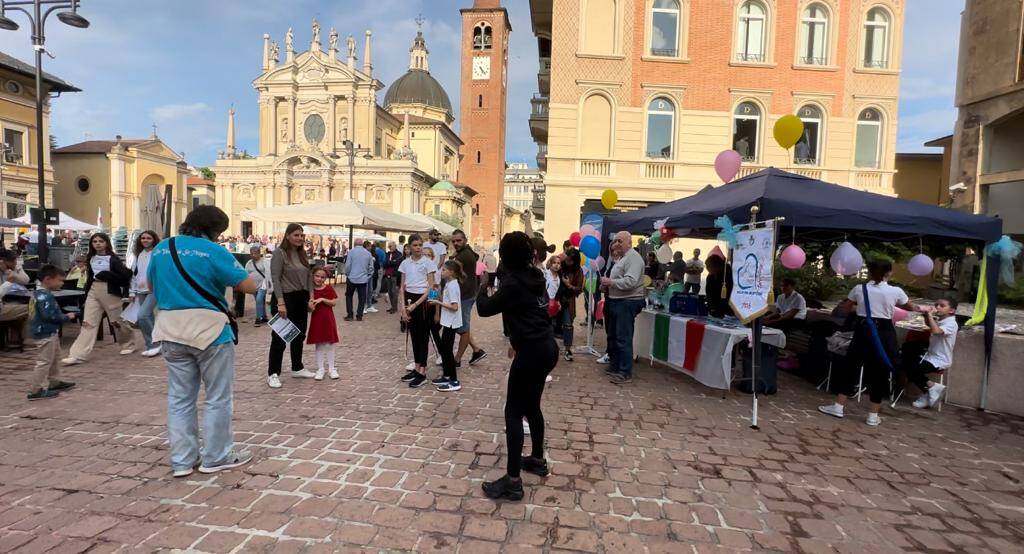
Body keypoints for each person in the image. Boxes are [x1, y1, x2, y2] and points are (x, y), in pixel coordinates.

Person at [148, 205, 256, 476]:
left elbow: (150, 287)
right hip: (209, 330)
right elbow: (247, 286)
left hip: (171, 328)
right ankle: (216, 456)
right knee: (217, 397)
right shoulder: (213, 250)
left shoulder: (162, 248)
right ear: (214, 230)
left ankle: (183, 461)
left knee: (179, 398)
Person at [477, 231, 559, 501]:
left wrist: (483, 284)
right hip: (546, 347)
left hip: (532, 352)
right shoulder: (537, 276)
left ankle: (513, 480)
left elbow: (485, 309)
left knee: (513, 411)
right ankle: (536, 458)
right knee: (532, 405)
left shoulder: (513, 284)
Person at [818, 259, 921, 426]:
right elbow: (909, 307)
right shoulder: (896, 291)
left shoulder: (860, 288)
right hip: (885, 332)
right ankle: (873, 415)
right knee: (879, 372)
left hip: (863, 329)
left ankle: (838, 406)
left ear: (870, 273)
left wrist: (862, 307)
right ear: (889, 273)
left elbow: (845, 308)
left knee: (851, 367)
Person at [63, 233, 134, 365]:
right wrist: (86, 294)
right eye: (95, 241)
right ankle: (78, 354)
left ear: (106, 242)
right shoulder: (91, 258)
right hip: (93, 290)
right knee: (88, 322)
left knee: (117, 321)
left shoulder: (113, 259)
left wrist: (108, 275)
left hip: (110, 291)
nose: (98, 244)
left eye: (101, 241)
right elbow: (90, 277)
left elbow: (125, 276)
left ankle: (128, 343)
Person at [268, 223, 315, 388]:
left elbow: (309, 278)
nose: (300, 238)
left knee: (299, 335)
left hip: (301, 298)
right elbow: (276, 278)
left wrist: (310, 298)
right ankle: (273, 373)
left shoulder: (302, 255)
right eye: (296, 235)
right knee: (280, 337)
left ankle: (297, 367)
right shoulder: (279, 254)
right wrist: (280, 302)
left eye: (302, 235)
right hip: (285, 298)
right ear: (287, 235)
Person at [600, 231, 645, 384]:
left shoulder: (633, 258)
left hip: (627, 302)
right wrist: (607, 285)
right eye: (615, 241)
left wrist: (610, 283)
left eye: (620, 241)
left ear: (629, 243)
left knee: (623, 338)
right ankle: (615, 366)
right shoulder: (622, 258)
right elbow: (619, 280)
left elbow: (630, 282)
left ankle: (625, 372)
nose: (616, 244)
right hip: (617, 301)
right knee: (613, 336)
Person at [27, 265, 76, 400]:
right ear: (48, 279)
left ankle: (54, 381)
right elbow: (49, 316)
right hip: (45, 332)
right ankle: (36, 390)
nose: (62, 283)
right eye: (60, 280)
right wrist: (66, 317)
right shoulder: (44, 296)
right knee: (44, 361)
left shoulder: (40, 294)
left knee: (54, 358)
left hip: (49, 332)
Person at [902, 298, 957, 409]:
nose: (937, 307)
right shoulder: (942, 320)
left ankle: (932, 388)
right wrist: (926, 315)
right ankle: (929, 392)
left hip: (940, 359)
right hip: (930, 355)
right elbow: (931, 325)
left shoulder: (952, 323)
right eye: (936, 305)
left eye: (942, 306)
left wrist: (930, 316)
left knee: (913, 370)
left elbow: (936, 331)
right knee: (906, 365)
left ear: (951, 311)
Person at [399, 234, 437, 388]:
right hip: (409, 297)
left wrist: (416, 304)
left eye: (420, 244)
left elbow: (431, 286)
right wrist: (403, 307)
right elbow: (402, 286)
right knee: (413, 334)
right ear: (409, 247)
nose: (419, 248)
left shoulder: (428, 263)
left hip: (423, 300)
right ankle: (416, 367)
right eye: (415, 245)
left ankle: (423, 370)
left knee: (423, 335)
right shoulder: (405, 264)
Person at [450, 229, 487, 366]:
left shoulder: (463, 256)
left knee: (463, 328)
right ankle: (477, 350)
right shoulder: (467, 252)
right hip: (467, 293)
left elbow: (451, 270)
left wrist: (453, 258)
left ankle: (457, 359)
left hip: (465, 295)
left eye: (459, 240)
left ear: (465, 240)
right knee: (460, 326)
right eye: (454, 241)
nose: (456, 243)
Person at [429, 260, 464, 392]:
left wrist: (438, 302)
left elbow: (454, 307)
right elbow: (448, 301)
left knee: (447, 351)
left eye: (444, 270)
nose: (441, 272)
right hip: (448, 321)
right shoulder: (449, 284)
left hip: (451, 322)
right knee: (444, 350)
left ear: (451, 272)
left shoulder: (453, 286)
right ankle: (447, 375)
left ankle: (454, 380)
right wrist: (438, 295)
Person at [130, 230, 162, 358]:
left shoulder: (158, 253)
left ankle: (154, 345)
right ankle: (155, 343)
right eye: (143, 238)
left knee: (142, 315)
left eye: (148, 238)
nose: (145, 240)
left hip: (154, 289)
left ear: (154, 239)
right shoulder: (138, 255)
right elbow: (134, 274)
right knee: (148, 317)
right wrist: (131, 291)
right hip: (140, 290)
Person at [306, 266, 340, 381]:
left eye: (322, 277)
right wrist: (310, 306)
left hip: (328, 319)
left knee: (330, 344)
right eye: (317, 276)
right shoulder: (310, 291)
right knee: (319, 344)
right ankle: (320, 368)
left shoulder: (328, 288)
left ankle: (331, 368)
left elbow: (333, 302)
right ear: (312, 276)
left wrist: (322, 300)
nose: (319, 279)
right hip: (317, 319)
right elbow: (309, 309)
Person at [556, 248, 584, 362]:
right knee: (551, 325)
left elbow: (579, 288)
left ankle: (568, 350)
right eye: (566, 260)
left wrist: (569, 285)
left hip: (568, 301)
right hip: (556, 300)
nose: (567, 262)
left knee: (568, 325)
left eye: (570, 261)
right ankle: (551, 349)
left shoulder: (578, 270)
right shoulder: (559, 265)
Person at [0, 249, 30, 338]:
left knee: (20, 306)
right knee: (33, 308)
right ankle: (29, 343)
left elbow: (26, 280)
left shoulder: (8, 268)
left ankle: (15, 340)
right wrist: (9, 282)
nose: (15, 265)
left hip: (4, 305)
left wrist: (16, 268)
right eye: (13, 263)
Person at [343, 239, 374, 321]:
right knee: (362, 298)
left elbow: (348, 265)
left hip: (351, 278)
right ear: (362, 244)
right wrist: (368, 276)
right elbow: (371, 268)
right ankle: (359, 315)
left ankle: (350, 315)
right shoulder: (368, 253)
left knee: (349, 296)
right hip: (363, 279)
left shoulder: (351, 252)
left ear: (354, 244)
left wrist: (347, 274)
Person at [245, 246, 271, 327]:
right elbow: (246, 273)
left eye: (255, 253)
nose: (253, 255)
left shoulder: (265, 261)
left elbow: (268, 272)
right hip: (253, 285)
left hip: (263, 285)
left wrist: (268, 283)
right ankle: (264, 317)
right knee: (259, 301)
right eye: (252, 254)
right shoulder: (249, 263)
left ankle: (258, 318)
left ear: (259, 253)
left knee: (259, 299)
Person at [704, 253, 733, 318]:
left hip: (727, 309)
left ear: (717, 266)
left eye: (709, 266)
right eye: (707, 266)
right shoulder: (710, 277)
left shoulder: (728, 274)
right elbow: (708, 292)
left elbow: (728, 293)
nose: (707, 269)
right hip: (714, 309)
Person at [382, 241, 403, 314]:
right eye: (389, 246)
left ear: (395, 246)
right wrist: (391, 262)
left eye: (390, 246)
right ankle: (392, 306)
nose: (389, 247)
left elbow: (398, 262)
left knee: (394, 292)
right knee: (390, 292)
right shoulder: (387, 254)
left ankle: (395, 308)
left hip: (395, 276)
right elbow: (384, 264)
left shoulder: (399, 254)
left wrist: (389, 262)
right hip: (387, 275)